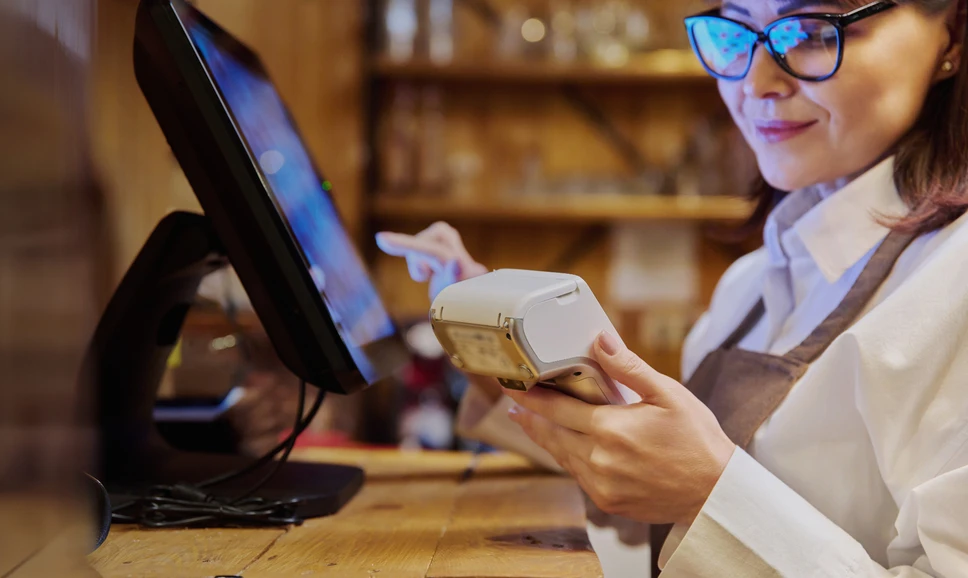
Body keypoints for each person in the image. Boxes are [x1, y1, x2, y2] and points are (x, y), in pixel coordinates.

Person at [377, 0, 968, 574]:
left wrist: (708, 493)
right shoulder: (754, 281)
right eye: (737, 32)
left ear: (952, 33)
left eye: (811, 31)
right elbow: (657, 492)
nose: (756, 82)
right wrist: (511, 355)